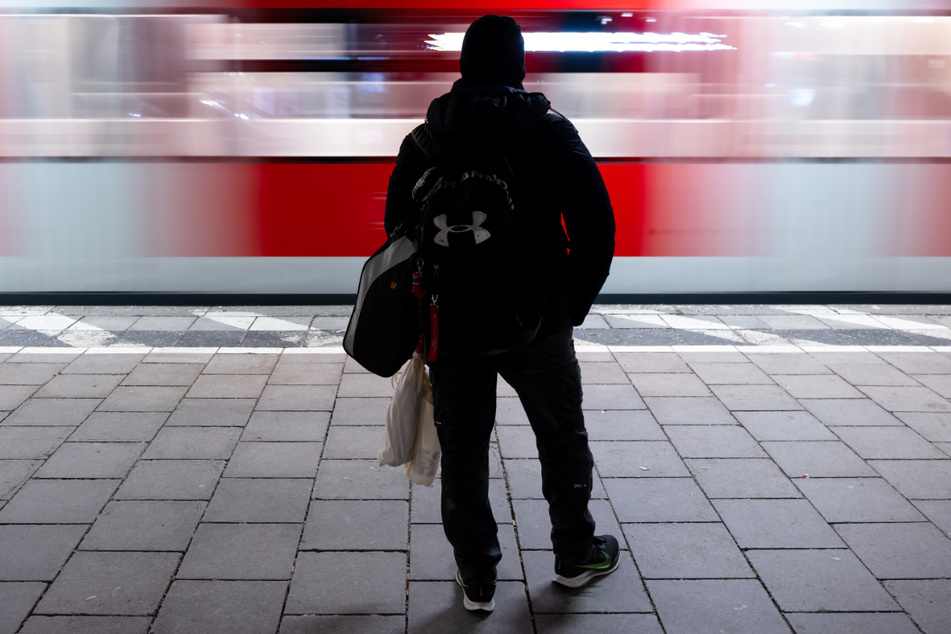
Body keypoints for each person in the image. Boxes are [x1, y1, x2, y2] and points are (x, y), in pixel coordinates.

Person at [384, 14, 617, 612]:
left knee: (463, 448)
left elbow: (396, 232)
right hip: (539, 320)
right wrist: (569, 304)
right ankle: (573, 554)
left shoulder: (426, 138)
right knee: (561, 435)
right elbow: (597, 228)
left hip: (452, 323)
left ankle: (477, 576)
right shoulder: (551, 132)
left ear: (463, 65)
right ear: (518, 64)